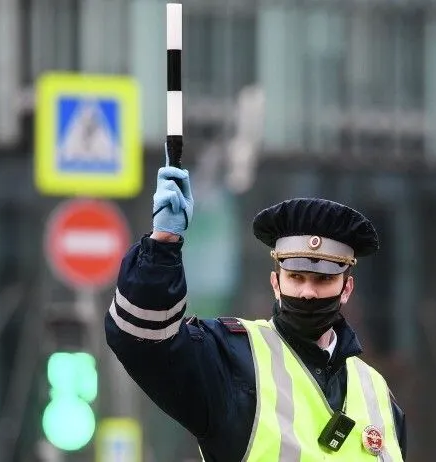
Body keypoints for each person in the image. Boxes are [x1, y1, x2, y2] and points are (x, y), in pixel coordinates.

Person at [104, 157, 407, 461]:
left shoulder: (377, 393)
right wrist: (163, 245)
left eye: (324, 280)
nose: (307, 292)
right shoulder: (231, 356)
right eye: (296, 277)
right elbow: (140, 340)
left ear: (347, 289)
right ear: (276, 283)